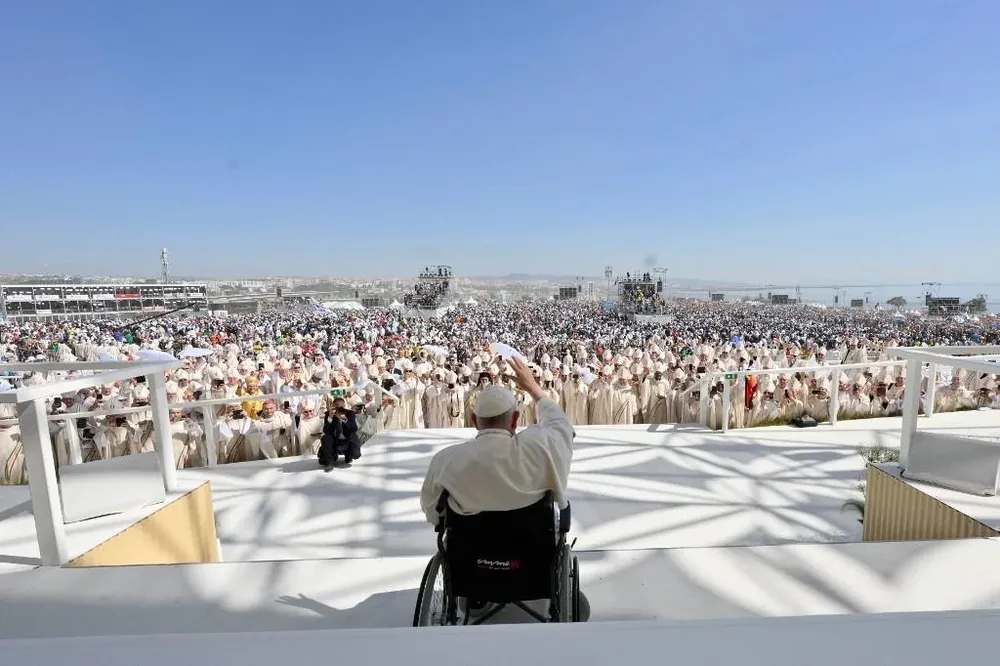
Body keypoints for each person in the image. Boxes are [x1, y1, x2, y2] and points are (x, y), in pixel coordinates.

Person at [419, 355, 590, 621]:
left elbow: (433, 510)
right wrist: (533, 388)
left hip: (471, 565)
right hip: (533, 563)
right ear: (515, 420)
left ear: (474, 420)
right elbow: (561, 426)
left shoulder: (446, 460)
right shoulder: (540, 446)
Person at [318, 397, 361, 472]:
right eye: (336, 407)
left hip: (347, 439)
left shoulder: (350, 413)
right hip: (334, 440)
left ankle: (348, 455)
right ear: (333, 406)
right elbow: (326, 431)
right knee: (325, 438)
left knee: (355, 454)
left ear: (344, 406)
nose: (339, 410)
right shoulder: (328, 414)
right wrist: (330, 418)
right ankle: (330, 461)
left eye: (341, 407)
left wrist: (345, 419)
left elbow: (354, 428)